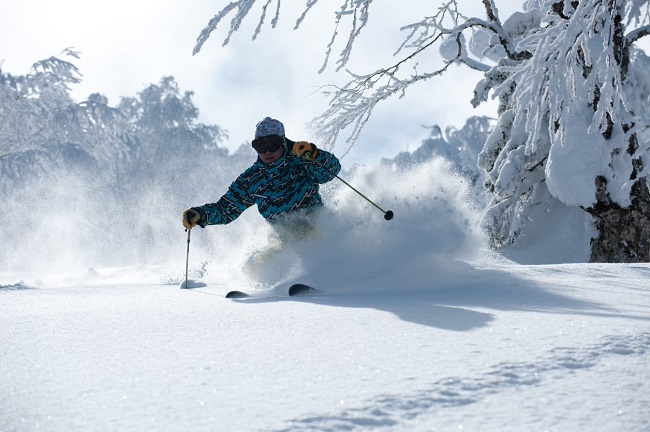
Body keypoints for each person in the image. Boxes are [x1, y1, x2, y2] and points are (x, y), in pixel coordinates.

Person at [182, 117, 341, 234]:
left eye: (272, 145)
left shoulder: (301, 160)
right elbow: (226, 210)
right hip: (290, 244)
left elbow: (330, 172)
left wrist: (314, 154)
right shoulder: (251, 180)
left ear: (283, 143)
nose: (267, 152)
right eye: (260, 146)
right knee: (257, 264)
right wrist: (201, 214)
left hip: (321, 231)